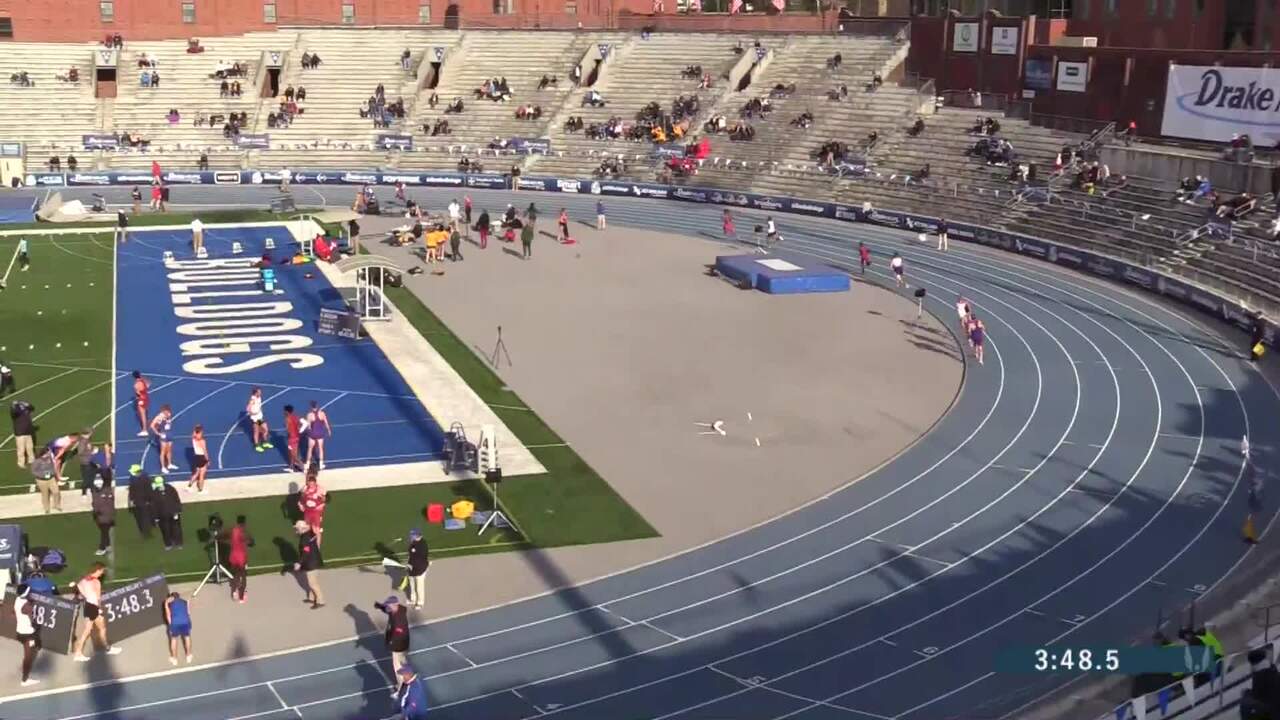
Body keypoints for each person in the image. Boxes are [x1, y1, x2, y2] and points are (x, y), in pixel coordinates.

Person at [72, 563, 122, 661]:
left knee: (101, 627)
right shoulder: (96, 582)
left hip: (88, 606)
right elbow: (98, 598)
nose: (102, 573)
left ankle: (107, 647)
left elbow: (79, 592)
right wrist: (99, 609)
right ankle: (78, 653)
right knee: (88, 630)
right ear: (97, 570)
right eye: (102, 571)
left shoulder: (83, 580)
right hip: (94, 607)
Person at [374, 595, 410, 674]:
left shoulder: (398, 619)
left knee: (397, 665)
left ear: (394, 605)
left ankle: (401, 682)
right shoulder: (398, 609)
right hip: (402, 643)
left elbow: (398, 634)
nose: (388, 607)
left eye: (389, 605)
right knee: (403, 662)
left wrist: (391, 642)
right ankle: (406, 674)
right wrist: (380, 606)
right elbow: (387, 610)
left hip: (399, 645)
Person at [293, 520, 324, 609]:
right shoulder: (309, 533)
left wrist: (299, 563)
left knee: (313, 583)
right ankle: (311, 597)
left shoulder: (304, 539)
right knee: (312, 581)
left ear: (302, 529)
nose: (296, 530)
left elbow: (306, 552)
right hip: (314, 560)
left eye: (297, 529)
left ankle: (320, 601)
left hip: (311, 563)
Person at [13, 584, 40, 686]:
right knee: (28, 657)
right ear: (26, 593)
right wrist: (34, 604)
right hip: (28, 634)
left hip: (20, 632)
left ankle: (26, 670)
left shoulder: (17, 600)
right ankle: (25, 680)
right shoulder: (26, 605)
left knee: (32, 651)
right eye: (29, 592)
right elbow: (32, 616)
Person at [223, 515, 252, 603]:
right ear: (244, 522)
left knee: (235, 574)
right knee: (242, 575)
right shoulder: (244, 531)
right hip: (241, 556)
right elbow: (249, 542)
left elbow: (226, 537)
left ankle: (234, 591)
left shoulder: (233, 530)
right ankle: (242, 596)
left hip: (233, 555)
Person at [153, 476, 183, 550]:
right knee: (165, 530)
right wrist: (156, 517)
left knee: (176, 529)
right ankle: (168, 544)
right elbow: (154, 506)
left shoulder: (170, 489)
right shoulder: (154, 492)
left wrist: (177, 511)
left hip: (173, 513)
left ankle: (178, 543)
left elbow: (177, 500)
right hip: (162, 515)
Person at [164, 591, 193, 664]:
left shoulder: (169, 603)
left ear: (171, 597)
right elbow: (188, 613)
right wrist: (188, 603)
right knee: (187, 637)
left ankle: (174, 659)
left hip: (175, 623)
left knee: (174, 639)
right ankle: (188, 656)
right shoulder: (184, 602)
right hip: (185, 622)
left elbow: (168, 615)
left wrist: (165, 604)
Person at [298, 471, 326, 545]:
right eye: (309, 483)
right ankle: (308, 545)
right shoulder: (305, 489)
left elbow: (324, 500)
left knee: (316, 530)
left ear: (314, 483)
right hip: (307, 512)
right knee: (307, 529)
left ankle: (317, 548)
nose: (310, 485)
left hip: (316, 512)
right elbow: (302, 498)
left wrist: (321, 512)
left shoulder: (319, 489)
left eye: (312, 483)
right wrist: (300, 505)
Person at [126, 464, 155, 538]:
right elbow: (150, 490)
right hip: (144, 501)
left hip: (138, 501)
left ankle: (144, 531)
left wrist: (131, 501)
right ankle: (148, 530)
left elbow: (131, 492)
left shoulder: (132, 479)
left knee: (141, 517)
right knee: (145, 516)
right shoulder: (146, 478)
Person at [90, 476, 115, 556]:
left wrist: (99, 511)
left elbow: (109, 504)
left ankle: (102, 548)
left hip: (104, 515)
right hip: (100, 515)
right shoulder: (95, 491)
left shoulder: (106, 491)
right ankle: (108, 545)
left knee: (104, 532)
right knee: (105, 531)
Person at [31, 447, 60, 514]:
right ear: (45, 453)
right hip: (41, 480)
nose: (50, 453)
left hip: (51, 479)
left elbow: (53, 467)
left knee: (56, 492)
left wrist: (52, 473)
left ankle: (56, 505)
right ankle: (46, 508)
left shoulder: (50, 459)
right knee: (45, 494)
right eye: (49, 452)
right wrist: (42, 475)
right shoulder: (37, 461)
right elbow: (34, 471)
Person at [405, 528, 429, 610]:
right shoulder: (413, 542)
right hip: (412, 568)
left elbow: (420, 558)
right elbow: (410, 554)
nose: (411, 536)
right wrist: (409, 564)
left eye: (413, 535)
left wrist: (412, 565)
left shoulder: (423, 545)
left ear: (418, 535)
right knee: (411, 584)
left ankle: (420, 602)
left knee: (419, 586)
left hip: (420, 568)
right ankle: (413, 599)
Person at [304, 400, 331, 470]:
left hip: (312, 434)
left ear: (311, 406)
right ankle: (321, 464)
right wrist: (329, 430)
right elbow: (326, 423)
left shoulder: (309, 415)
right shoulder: (322, 413)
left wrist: (307, 432)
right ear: (317, 406)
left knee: (310, 449)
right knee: (321, 449)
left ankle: (307, 464)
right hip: (320, 434)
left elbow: (308, 426)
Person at [150, 405, 178, 472]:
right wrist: (158, 433)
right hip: (163, 434)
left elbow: (169, 423)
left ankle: (169, 464)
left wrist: (168, 417)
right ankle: (163, 467)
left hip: (169, 433)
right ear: (163, 411)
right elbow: (152, 425)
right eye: (166, 411)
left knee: (169, 450)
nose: (168, 413)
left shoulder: (169, 414)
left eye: (168, 411)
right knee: (163, 451)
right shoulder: (159, 417)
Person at [11, 399, 35, 468]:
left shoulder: (26, 409)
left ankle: (32, 460)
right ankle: (21, 463)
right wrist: (14, 405)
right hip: (20, 432)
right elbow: (14, 412)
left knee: (30, 447)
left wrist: (27, 404)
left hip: (28, 431)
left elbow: (32, 408)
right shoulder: (16, 411)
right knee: (21, 449)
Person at [247, 387, 272, 453]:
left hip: (259, 418)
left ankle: (264, 442)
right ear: (256, 393)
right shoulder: (253, 399)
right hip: (255, 419)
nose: (261, 393)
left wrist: (260, 411)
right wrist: (253, 413)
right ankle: (257, 445)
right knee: (256, 431)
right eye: (259, 392)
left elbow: (259, 406)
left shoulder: (259, 398)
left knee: (265, 429)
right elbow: (248, 409)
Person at [283, 405, 304, 473]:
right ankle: (291, 467)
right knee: (291, 454)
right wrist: (299, 430)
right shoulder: (296, 416)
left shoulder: (287, 418)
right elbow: (301, 424)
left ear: (287, 411)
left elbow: (287, 429)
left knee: (294, 455)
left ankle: (303, 468)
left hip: (292, 439)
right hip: (296, 437)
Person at [188, 424, 209, 492]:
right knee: (202, 475)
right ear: (199, 432)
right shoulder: (202, 441)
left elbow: (193, 433)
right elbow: (205, 451)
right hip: (202, 457)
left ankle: (189, 486)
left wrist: (196, 428)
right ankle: (200, 489)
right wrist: (207, 460)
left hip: (196, 457)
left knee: (196, 473)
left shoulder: (194, 439)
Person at [132, 371, 150, 436]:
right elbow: (148, 385)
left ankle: (144, 430)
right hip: (146, 398)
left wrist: (138, 394)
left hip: (141, 400)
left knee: (143, 415)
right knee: (145, 414)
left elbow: (138, 393)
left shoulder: (136, 384)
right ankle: (145, 428)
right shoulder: (144, 381)